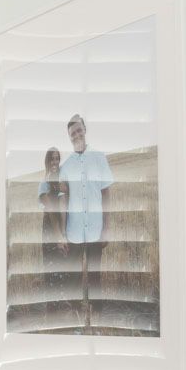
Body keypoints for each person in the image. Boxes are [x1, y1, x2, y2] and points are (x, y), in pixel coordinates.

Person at [57, 115, 112, 329]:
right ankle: (77, 322)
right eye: (73, 133)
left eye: (79, 130)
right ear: (69, 138)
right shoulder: (66, 166)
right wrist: (61, 234)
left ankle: (97, 323)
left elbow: (106, 193)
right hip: (74, 232)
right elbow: (63, 202)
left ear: (85, 130)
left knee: (96, 277)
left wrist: (107, 228)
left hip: (96, 230)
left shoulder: (99, 157)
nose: (77, 135)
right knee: (73, 280)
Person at [36, 147, 69, 312]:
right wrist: (59, 238)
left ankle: (62, 307)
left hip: (61, 229)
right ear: (47, 162)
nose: (55, 162)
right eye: (52, 159)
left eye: (57, 158)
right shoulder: (44, 184)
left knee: (63, 267)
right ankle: (52, 310)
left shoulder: (61, 182)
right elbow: (51, 213)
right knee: (52, 268)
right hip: (50, 229)